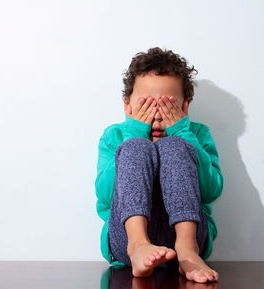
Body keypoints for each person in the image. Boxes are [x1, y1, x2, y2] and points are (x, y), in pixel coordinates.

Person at [94, 47, 224, 283]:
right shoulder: (115, 136)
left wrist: (182, 134)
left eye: (166, 105)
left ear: (184, 106)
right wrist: (136, 134)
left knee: (174, 146)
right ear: (128, 105)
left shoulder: (196, 134)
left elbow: (211, 191)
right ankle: (139, 244)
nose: (156, 115)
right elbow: (105, 195)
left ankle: (187, 250)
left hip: (190, 239)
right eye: (146, 104)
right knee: (135, 148)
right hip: (126, 241)